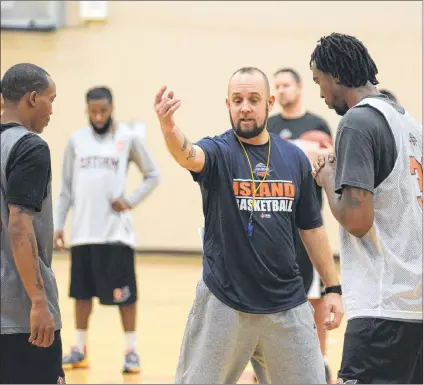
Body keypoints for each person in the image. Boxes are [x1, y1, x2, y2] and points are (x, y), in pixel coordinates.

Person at [154, 66, 343, 384]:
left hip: (286, 304)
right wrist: (168, 126)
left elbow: (311, 228)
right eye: (237, 99)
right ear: (227, 104)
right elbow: (188, 155)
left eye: (253, 99)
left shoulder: (294, 159)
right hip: (225, 303)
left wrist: (333, 287)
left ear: (269, 103)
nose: (245, 106)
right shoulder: (218, 151)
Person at [310, 32, 423, 384]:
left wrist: (328, 177)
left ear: (337, 77)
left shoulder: (358, 122)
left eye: (320, 81)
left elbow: (357, 221)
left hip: (380, 309)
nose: (321, 94)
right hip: (414, 307)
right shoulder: (409, 124)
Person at [54, 86, 160, 374]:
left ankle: (131, 350)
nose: (98, 116)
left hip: (116, 234)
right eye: (93, 111)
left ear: (112, 108)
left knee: (125, 296)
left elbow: (152, 174)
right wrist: (58, 225)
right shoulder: (76, 141)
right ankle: (79, 349)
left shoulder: (127, 138)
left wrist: (130, 201)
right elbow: (65, 188)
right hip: (84, 232)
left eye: (103, 111)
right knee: (81, 294)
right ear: (86, 110)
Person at [268, 67, 334, 382]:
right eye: (276, 86)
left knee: (314, 297)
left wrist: (322, 156)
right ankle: (267, 361)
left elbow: (331, 167)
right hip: (275, 224)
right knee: (269, 294)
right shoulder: (268, 127)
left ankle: (319, 359)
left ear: (299, 88)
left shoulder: (316, 126)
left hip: (307, 225)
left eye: (286, 85)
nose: (281, 91)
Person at [0, 63, 65, 384]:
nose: (52, 109)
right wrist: (39, 302)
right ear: (34, 98)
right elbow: (19, 227)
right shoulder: (29, 147)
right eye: (52, 99)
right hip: (19, 311)